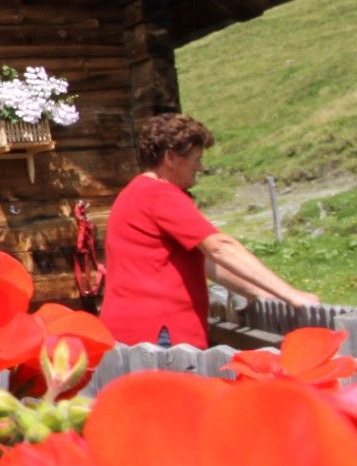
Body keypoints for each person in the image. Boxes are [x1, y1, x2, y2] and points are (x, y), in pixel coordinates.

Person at [100, 113, 319, 348]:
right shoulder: (159, 195)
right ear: (171, 157)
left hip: (135, 332)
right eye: (196, 159)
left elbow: (207, 264)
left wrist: (260, 293)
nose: (201, 167)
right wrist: (292, 295)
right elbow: (220, 248)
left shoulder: (135, 192)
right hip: (160, 333)